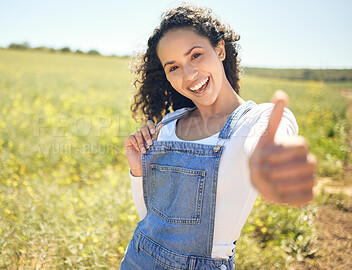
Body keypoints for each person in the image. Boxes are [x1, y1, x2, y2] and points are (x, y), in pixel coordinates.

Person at [121, 4, 317, 270]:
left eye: (196, 55)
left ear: (220, 50)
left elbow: (268, 139)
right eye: (174, 67)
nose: (189, 75)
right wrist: (138, 171)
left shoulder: (256, 120)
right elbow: (150, 219)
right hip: (137, 258)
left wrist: (273, 160)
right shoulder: (167, 126)